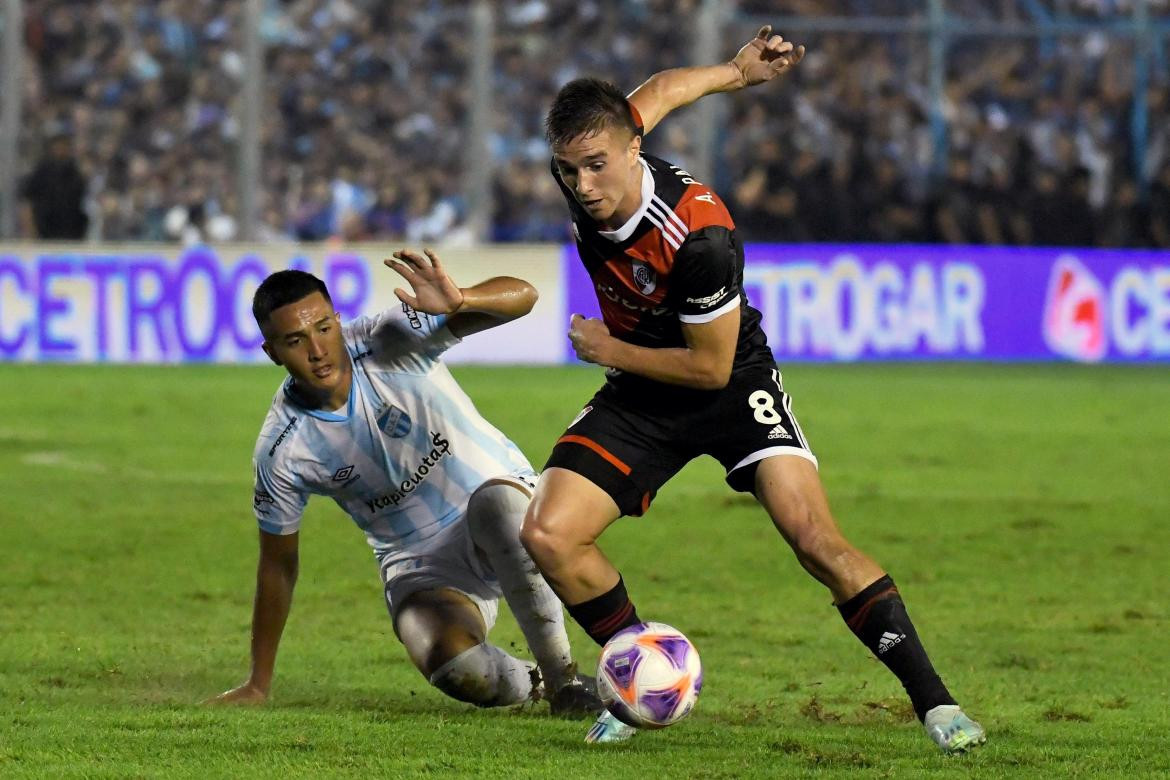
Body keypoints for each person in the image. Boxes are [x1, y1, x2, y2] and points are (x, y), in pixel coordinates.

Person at [520, 26, 987, 752]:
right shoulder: (597, 152)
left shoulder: (699, 236)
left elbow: (708, 368)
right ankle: (643, 676)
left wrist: (609, 347)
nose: (582, 187)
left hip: (727, 382)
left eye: (595, 167)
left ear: (631, 150)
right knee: (549, 533)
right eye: (568, 169)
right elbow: (668, 86)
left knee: (815, 541)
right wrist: (735, 73)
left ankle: (936, 705)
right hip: (643, 391)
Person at [209, 250, 600, 718]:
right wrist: (259, 681)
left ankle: (565, 682)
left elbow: (525, 296)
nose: (317, 350)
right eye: (295, 340)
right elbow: (278, 566)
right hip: (421, 564)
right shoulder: (283, 449)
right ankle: (536, 682)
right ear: (272, 352)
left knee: (494, 505)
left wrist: (461, 300)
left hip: (507, 506)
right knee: (455, 667)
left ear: (337, 319)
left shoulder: (388, 339)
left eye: (323, 329)